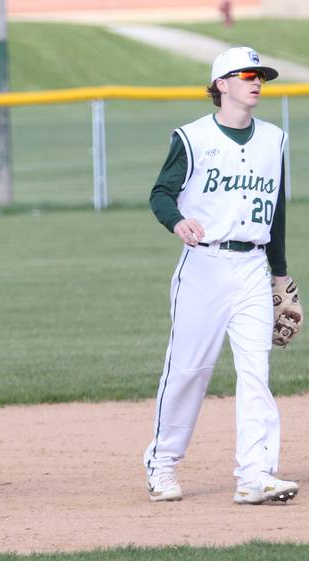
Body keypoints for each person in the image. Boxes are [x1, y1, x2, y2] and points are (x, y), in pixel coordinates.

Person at [143, 47, 299, 505]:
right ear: (222, 85)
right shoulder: (192, 138)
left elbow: (277, 212)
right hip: (204, 267)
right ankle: (162, 464)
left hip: (252, 266)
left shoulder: (274, 140)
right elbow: (160, 193)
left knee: (257, 371)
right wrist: (176, 221)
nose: (257, 82)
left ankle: (255, 474)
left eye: (261, 76)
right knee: (189, 371)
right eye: (247, 75)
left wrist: (281, 276)